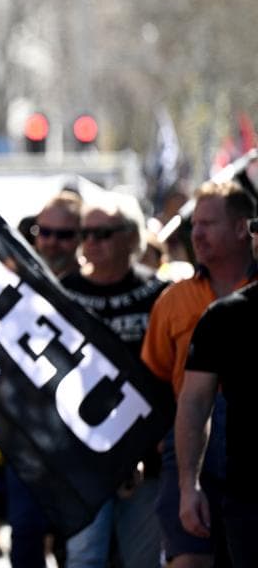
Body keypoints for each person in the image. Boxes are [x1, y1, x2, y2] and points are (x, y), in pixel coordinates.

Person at [142, 180, 256, 568]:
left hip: (245, 454)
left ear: (244, 229)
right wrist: (176, 465)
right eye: (195, 224)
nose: (197, 234)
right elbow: (158, 378)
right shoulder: (175, 300)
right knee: (189, 558)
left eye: (208, 223)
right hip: (191, 442)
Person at [61, 194, 167, 567]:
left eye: (102, 233)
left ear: (130, 237)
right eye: (85, 233)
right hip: (82, 457)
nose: (91, 242)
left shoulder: (159, 295)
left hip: (147, 455)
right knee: (84, 559)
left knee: (142, 560)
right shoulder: (62, 295)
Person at [177, 216, 258, 565]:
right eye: (257, 227)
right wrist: (188, 485)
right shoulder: (225, 316)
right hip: (250, 499)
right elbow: (194, 403)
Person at [7, 192, 80, 568]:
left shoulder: (93, 292)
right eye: (43, 231)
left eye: (63, 234)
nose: (51, 241)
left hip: (83, 445)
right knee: (25, 537)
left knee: (79, 549)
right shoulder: (19, 289)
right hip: (28, 442)